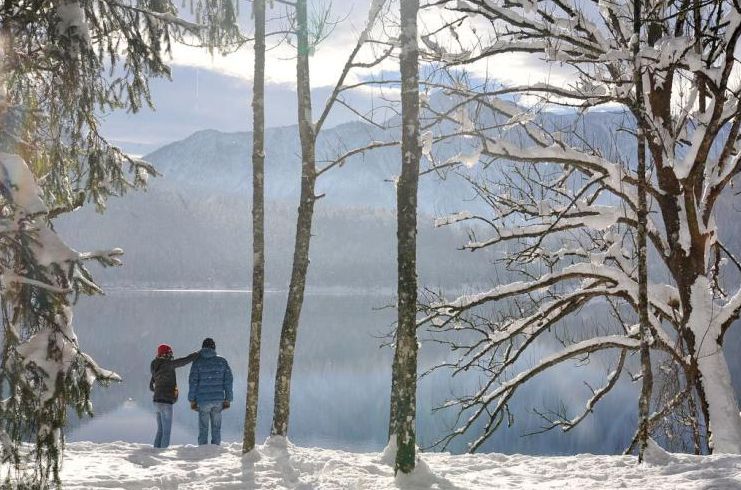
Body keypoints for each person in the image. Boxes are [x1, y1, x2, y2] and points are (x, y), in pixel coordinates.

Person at [150, 344, 198, 448]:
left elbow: (152, 384)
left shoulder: (154, 364)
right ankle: (162, 455)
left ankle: (156, 452)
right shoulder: (167, 364)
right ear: (164, 354)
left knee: (160, 430)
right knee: (166, 432)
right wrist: (195, 354)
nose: (171, 355)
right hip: (166, 401)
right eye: (169, 353)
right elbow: (183, 361)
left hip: (157, 400)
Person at [188, 337, 233, 445]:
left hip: (203, 401)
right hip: (218, 400)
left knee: (203, 428)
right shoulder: (222, 361)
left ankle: (203, 449)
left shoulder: (197, 362)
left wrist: (192, 400)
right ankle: (215, 449)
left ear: (202, 348)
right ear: (214, 348)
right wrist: (228, 399)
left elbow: (193, 382)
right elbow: (228, 381)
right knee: (216, 428)